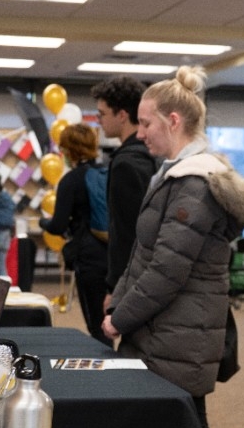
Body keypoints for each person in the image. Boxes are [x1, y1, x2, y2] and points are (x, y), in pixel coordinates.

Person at [101, 66, 244, 428]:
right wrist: (120, 299)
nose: (140, 133)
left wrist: (120, 318)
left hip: (178, 330)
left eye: (146, 124)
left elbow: (166, 269)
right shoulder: (175, 175)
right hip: (170, 327)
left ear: (173, 121)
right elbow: (143, 252)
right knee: (178, 427)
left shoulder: (192, 183)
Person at [91, 75, 159, 313]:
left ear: (121, 115)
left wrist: (114, 286)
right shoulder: (151, 155)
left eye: (102, 114)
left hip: (133, 278)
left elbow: (126, 231)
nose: (98, 121)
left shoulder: (126, 163)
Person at [39, 124, 111, 344]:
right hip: (113, 254)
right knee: (112, 319)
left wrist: (44, 221)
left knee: (96, 324)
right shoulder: (108, 173)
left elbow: (58, 226)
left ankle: (107, 374)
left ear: (69, 150)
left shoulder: (70, 180)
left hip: (88, 256)